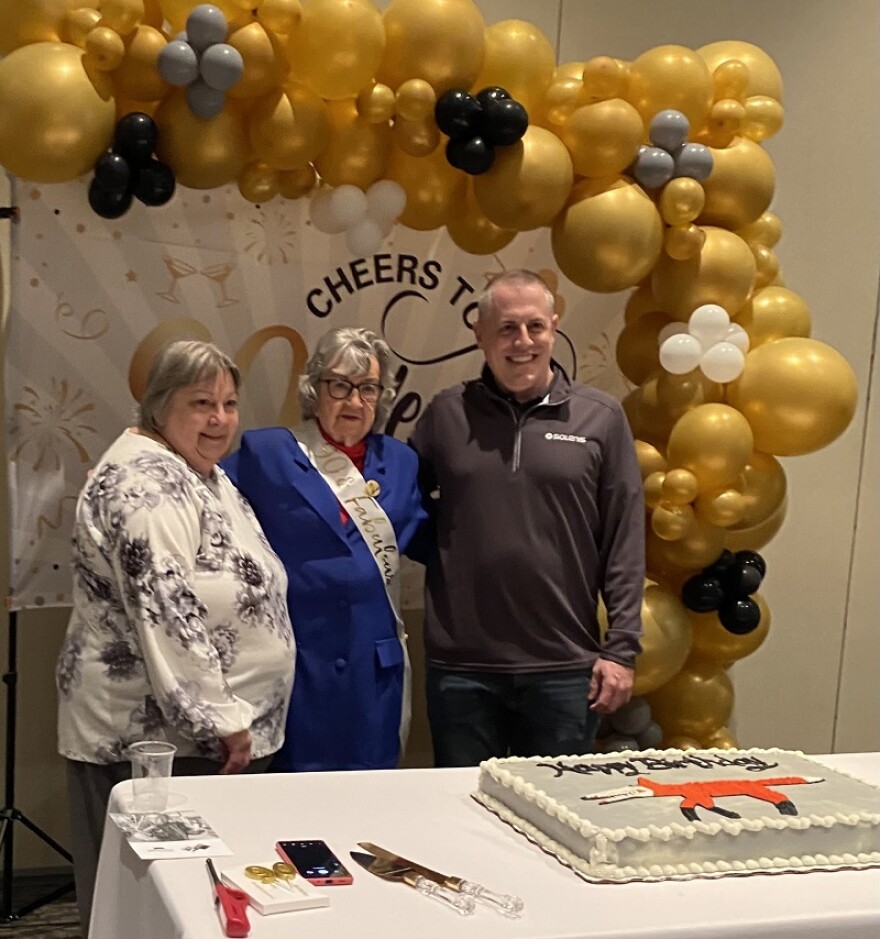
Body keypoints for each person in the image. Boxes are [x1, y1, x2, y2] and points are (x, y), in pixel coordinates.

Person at [56, 340, 294, 931]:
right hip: (159, 743)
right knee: (151, 910)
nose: (219, 419)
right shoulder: (147, 483)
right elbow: (167, 609)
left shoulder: (194, 470)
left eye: (230, 403)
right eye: (201, 403)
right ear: (160, 406)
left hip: (195, 743)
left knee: (195, 906)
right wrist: (220, 719)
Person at [410, 269, 645, 767]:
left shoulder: (600, 418)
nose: (523, 342)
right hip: (463, 670)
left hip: (564, 668)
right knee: (461, 815)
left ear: (554, 328)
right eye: (507, 328)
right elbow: (402, 510)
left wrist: (621, 650)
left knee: (557, 822)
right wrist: (452, 549)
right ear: (480, 334)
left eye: (535, 326)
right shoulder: (446, 415)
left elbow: (624, 538)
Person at [223, 326, 428, 772]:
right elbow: (204, 496)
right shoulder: (268, 452)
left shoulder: (402, 462)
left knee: (368, 806)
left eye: (368, 388)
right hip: (299, 670)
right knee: (290, 811)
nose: (354, 402)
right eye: (340, 385)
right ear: (315, 389)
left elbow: (431, 537)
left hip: (372, 677)